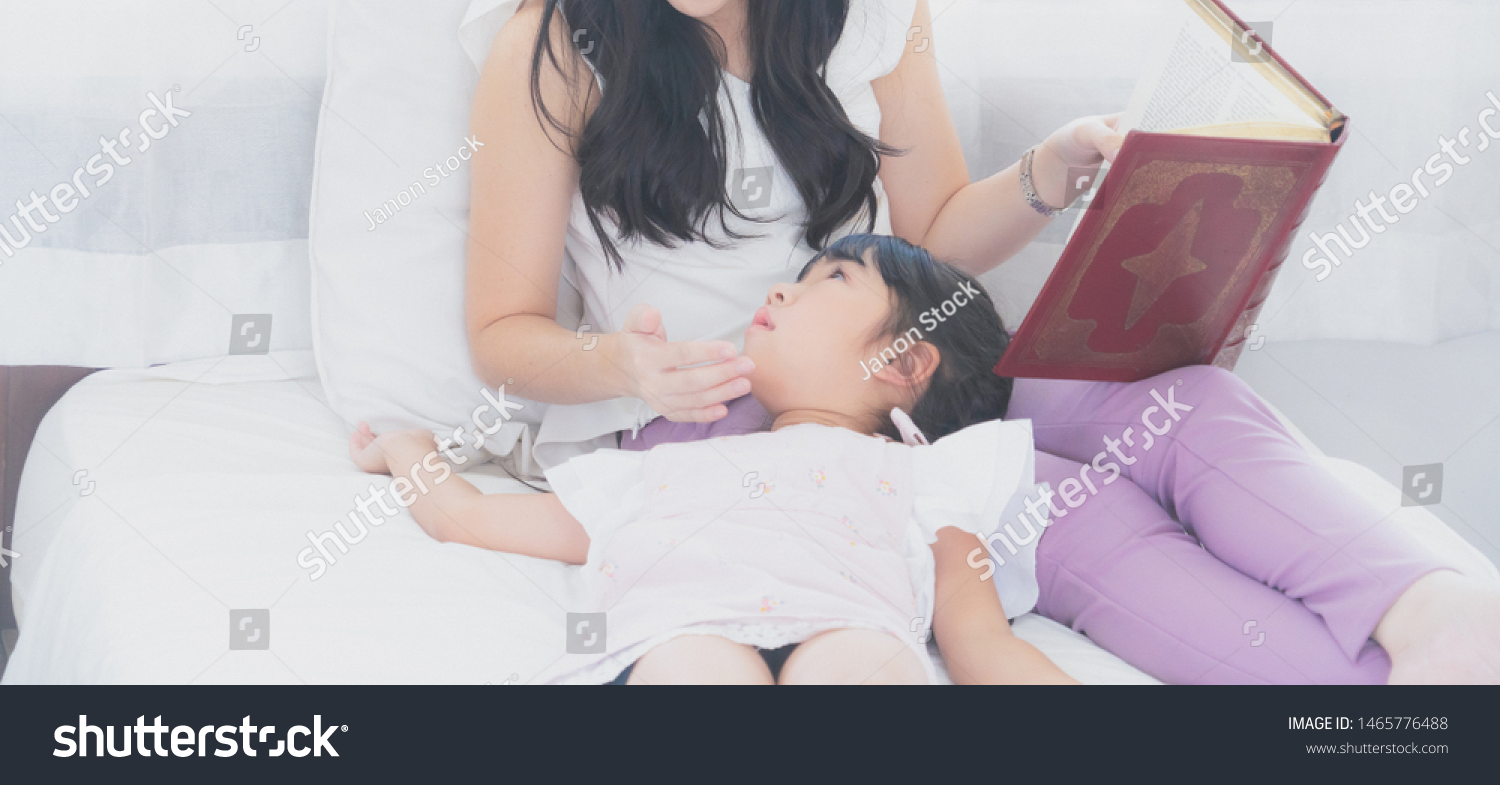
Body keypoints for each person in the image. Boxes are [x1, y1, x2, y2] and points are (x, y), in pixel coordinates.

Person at [457, 0, 1500, 683]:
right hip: (725, 416)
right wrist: (628, 365)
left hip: (899, 357)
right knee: (1064, 512)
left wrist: (1047, 173)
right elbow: (502, 331)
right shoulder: (549, 47)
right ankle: (1355, 702)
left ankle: (1433, 622)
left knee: (1189, 400)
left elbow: (937, 238)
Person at [352, 234, 1075, 684]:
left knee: (861, 663)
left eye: (835, 277)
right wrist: (406, 445)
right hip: (680, 639)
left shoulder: (930, 483)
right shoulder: (661, 472)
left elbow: (982, 645)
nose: (781, 287)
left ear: (906, 361)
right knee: (692, 665)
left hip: (853, 634)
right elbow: (466, 516)